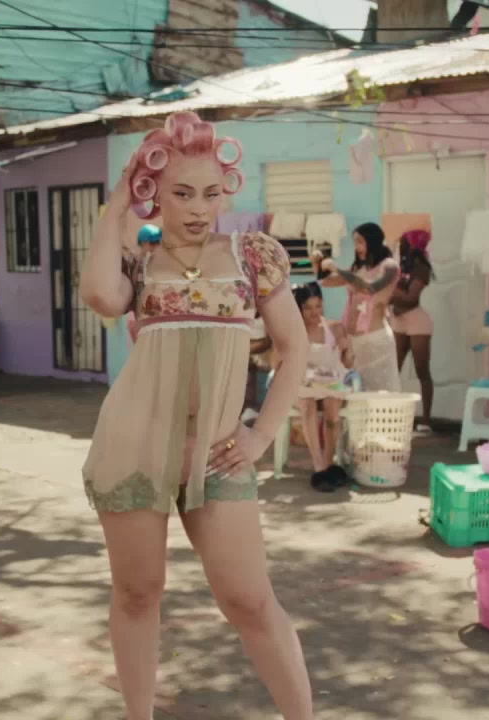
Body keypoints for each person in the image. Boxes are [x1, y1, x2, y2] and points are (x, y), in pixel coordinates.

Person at [80, 111, 314, 720]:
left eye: (211, 193)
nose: (198, 208)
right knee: (138, 593)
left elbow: (294, 348)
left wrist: (261, 434)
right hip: (134, 446)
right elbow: (100, 295)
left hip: (217, 453)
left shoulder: (251, 256)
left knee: (249, 600)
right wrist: (118, 200)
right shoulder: (139, 262)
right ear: (153, 192)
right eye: (181, 193)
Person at [312, 223, 401, 392]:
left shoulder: (389, 266)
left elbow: (370, 288)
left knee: (381, 394)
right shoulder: (359, 269)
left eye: (360, 242)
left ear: (372, 241)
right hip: (355, 343)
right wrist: (317, 264)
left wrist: (336, 268)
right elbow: (327, 282)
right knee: (357, 393)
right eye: (355, 243)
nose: (356, 247)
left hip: (376, 342)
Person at [291, 282, 354, 491]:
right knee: (307, 404)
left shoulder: (334, 328)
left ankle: (328, 463)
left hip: (328, 382)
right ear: (300, 308)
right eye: (308, 307)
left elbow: (348, 364)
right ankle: (318, 467)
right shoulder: (294, 331)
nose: (314, 312)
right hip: (302, 383)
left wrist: (347, 350)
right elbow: (278, 364)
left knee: (332, 407)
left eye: (318, 306)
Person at [389, 230, 435, 432]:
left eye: (404, 243)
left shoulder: (421, 269)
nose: (401, 247)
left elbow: (411, 298)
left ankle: (426, 420)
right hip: (398, 320)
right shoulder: (400, 266)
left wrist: (390, 289)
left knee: (421, 370)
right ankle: (389, 415)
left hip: (417, 322)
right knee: (393, 370)